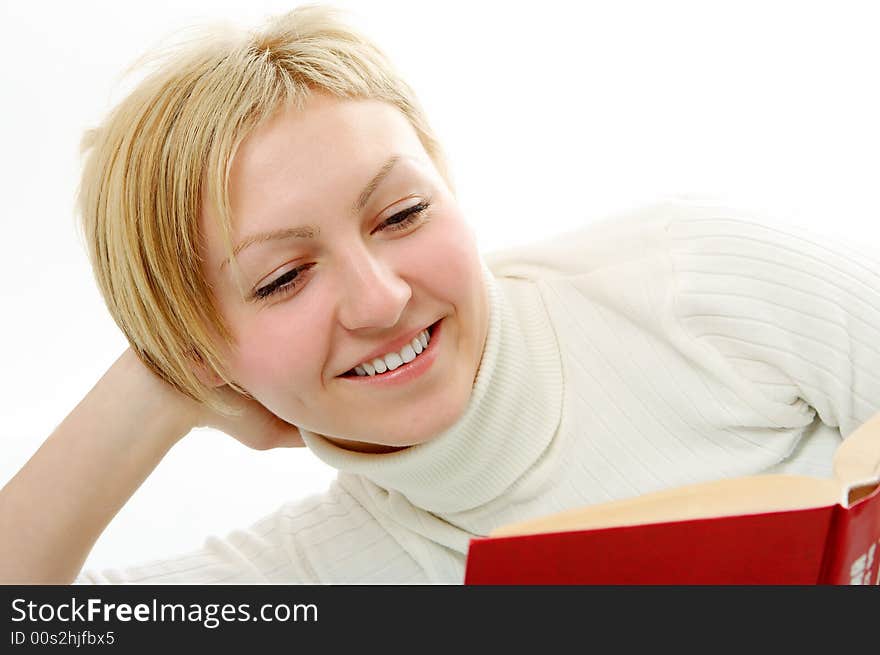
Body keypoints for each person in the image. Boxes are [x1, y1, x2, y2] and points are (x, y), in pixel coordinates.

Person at [1, 3, 878, 585]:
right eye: (282, 277)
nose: (380, 298)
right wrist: (156, 387)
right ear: (204, 354)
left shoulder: (705, 280)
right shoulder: (321, 568)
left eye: (402, 212)